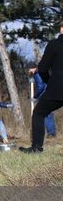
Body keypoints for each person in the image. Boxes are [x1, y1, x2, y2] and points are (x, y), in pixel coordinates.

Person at [23, 23, 63, 154]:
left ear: (61, 29)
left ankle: (36, 148)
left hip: (57, 89)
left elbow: (43, 68)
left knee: (39, 113)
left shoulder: (54, 44)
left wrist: (48, 81)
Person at [30, 64, 56, 138]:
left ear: (33, 68)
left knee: (45, 114)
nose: (29, 71)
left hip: (44, 96)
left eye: (30, 69)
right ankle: (51, 132)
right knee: (48, 114)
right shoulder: (43, 72)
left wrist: (35, 96)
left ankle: (50, 133)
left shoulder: (37, 74)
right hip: (49, 94)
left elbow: (40, 86)